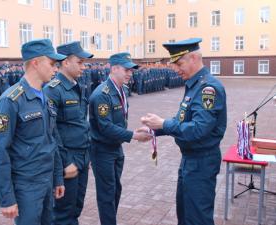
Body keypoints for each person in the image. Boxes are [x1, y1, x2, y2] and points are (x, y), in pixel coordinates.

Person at [141, 38, 227, 225]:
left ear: (194, 58)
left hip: (201, 161)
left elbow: (198, 129)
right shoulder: (194, 85)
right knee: (185, 214)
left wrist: (163, 124)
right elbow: (182, 120)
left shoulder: (208, 89)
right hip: (190, 159)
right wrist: (155, 129)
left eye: (179, 63)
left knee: (197, 218)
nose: (175, 69)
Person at [0, 39, 66, 225]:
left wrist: (57, 178)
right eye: (52, 63)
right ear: (35, 63)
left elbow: (52, 141)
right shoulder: (10, 101)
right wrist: (6, 198)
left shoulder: (45, 98)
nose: (56, 69)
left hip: (47, 182)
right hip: (26, 186)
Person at [89, 52, 152, 225]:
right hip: (102, 151)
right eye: (126, 70)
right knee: (107, 193)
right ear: (114, 68)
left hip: (115, 148)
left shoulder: (121, 90)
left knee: (116, 190)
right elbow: (106, 127)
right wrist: (133, 136)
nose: (130, 73)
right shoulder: (102, 94)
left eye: (131, 70)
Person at [43, 41, 93, 225]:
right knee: (63, 213)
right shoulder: (52, 90)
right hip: (67, 158)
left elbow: (80, 123)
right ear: (65, 62)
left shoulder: (77, 86)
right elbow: (51, 132)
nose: (83, 67)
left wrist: (86, 155)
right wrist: (66, 162)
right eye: (79, 62)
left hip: (81, 155)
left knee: (76, 208)